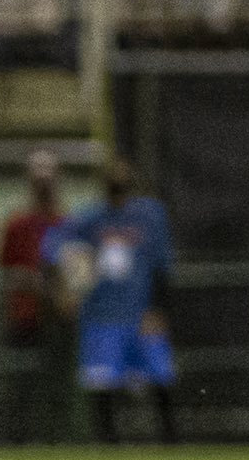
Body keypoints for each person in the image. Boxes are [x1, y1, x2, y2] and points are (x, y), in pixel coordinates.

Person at [46, 156, 178, 444]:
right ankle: (107, 443)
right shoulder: (88, 219)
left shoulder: (150, 216)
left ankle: (170, 441)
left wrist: (157, 309)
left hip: (140, 312)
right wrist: (67, 286)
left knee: (159, 376)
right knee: (102, 380)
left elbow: (162, 265)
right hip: (102, 313)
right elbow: (54, 247)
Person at [0, 147, 70, 442]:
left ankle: (60, 439)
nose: (43, 180)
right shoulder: (17, 223)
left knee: (58, 383)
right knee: (22, 382)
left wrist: (61, 292)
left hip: (60, 314)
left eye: (49, 172)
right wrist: (27, 281)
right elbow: (4, 269)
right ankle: (19, 441)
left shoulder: (68, 223)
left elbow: (78, 270)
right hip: (25, 314)